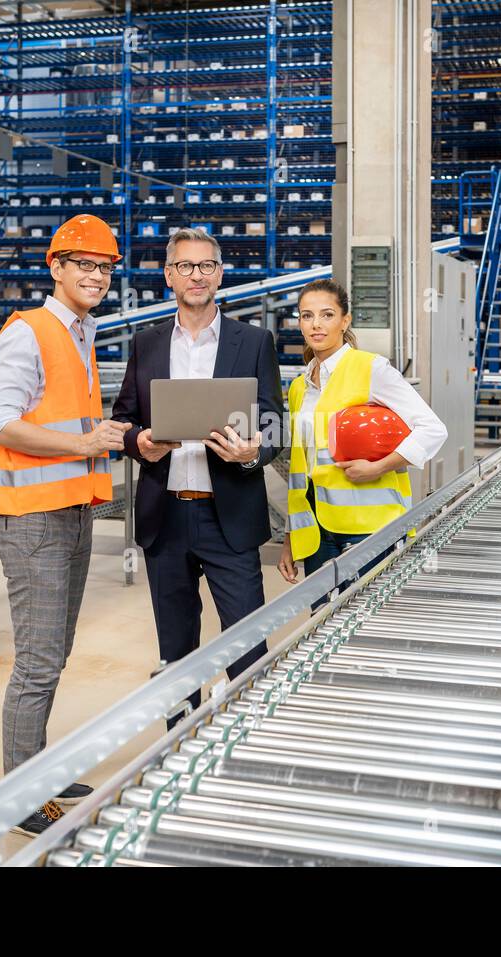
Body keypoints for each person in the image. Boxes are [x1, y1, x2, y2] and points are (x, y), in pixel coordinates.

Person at [0, 214, 131, 837]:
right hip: (34, 522)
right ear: (56, 267)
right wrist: (84, 443)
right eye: (85, 265)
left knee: (56, 652)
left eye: (105, 267)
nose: (96, 276)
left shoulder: (80, 332)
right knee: (37, 662)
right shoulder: (30, 333)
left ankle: (36, 771)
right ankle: (19, 798)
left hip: (71, 514)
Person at [111, 227, 285, 728]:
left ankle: (249, 744)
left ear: (220, 274)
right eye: (185, 266)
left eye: (206, 265)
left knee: (248, 644)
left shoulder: (253, 341)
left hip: (228, 516)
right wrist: (139, 442)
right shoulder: (145, 345)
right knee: (176, 653)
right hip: (166, 520)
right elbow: (124, 421)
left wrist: (253, 451)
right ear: (169, 276)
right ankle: (179, 745)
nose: (196, 275)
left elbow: (272, 421)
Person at [276, 278, 447, 586]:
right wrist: (291, 537)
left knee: (364, 623)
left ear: (345, 321)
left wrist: (379, 467)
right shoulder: (301, 387)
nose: (316, 324)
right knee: (323, 620)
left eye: (327, 315)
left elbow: (432, 429)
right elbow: (300, 469)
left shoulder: (371, 369)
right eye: (306, 315)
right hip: (316, 529)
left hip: (370, 527)